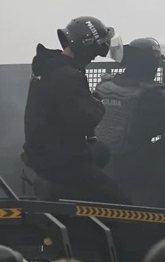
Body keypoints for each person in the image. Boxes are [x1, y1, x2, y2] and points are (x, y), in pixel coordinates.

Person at [23, 16, 130, 204]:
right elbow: (84, 120)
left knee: (101, 151)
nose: (94, 58)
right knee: (121, 202)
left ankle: (65, 190)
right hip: (61, 160)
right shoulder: (68, 76)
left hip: (41, 152)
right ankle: (61, 192)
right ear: (87, 48)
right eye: (95, 53)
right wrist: (97, 103)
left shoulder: (48, 68)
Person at [94, 37, 165, 207]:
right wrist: (156, 146)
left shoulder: (104, 86)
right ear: (152, 64)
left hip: (97, 159)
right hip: (131, 165)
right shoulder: (157, 94)